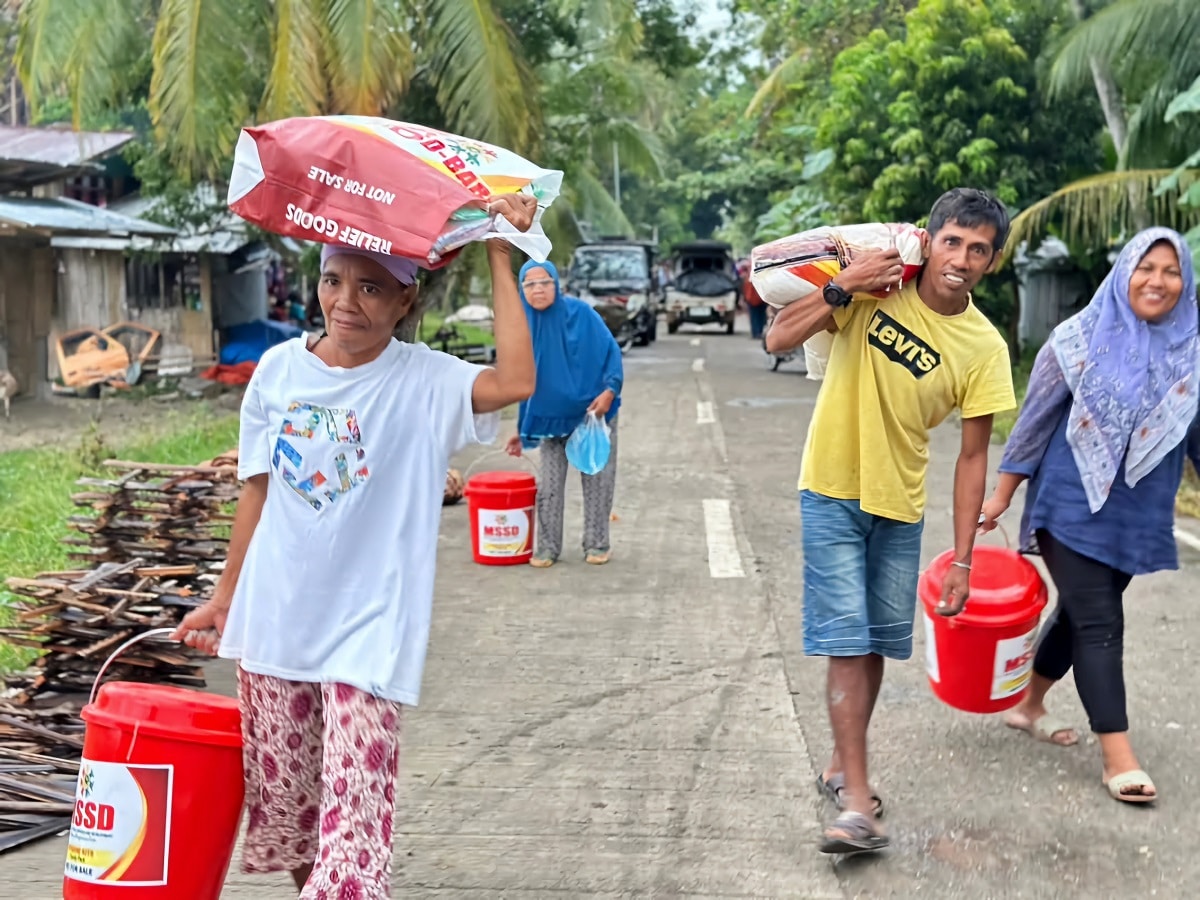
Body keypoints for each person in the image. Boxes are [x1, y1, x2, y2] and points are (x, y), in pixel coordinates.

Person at [171, 194, 538, 898]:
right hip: (277, 626)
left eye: (372, 287)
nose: (347, 302)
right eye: (335, 279)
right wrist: (224, 600)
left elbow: (516, 382)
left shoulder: (425, 380)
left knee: (354, 838)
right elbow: (258, 492)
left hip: (371, 634)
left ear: (407, 299)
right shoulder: (278, 372)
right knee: (299, 823)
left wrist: (499, 249)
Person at [765, 188, 1017, 853]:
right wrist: (842, 287)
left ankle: (840, 764)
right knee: (847, 640)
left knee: (874, 643)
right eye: (954, 241)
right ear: (929, 241)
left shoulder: (984, 347)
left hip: (900, 504)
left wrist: (963, 560)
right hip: (831, 487)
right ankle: (856, 801)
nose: (962, 258)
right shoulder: (876, 289)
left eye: (980, 249)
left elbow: (971, 458)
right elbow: (778, 335)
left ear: (992, 262)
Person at [980, 227, 1200, 805]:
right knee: (1101, 621)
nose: (1157, 280)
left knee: (1080, 617)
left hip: (1138, 512)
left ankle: (1026, 707)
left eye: (1171, 271)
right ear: (1124, 271)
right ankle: (1118, 757)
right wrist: (1002, 495)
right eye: (1145, 267)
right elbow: (1032, 421)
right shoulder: (1076, 339)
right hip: (1071, 501)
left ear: (1186, 282)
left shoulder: (1192, 351)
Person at [505, 260, 623, 567]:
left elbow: (611, 352)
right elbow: (521, 381)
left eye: (545, 282)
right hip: (550, 417)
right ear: (522, 290)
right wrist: (521, 429)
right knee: (549, 486)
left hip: (592, 411)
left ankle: (597, 544)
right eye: (530, 284)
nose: (538, 289)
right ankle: (547, 548)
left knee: (597, 478)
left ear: (557, 285)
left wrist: (609, 392)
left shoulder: (581, 314)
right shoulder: (521, 325)